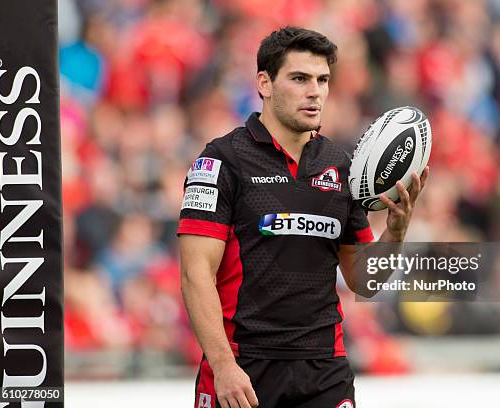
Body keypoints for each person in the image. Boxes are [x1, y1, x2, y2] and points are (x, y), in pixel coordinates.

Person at [178, 26, 428, 408]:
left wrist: (396, 232)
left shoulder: (343, 168)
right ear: (265, 82)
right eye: (299, 78)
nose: (315, 91)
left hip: (324, 371)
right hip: (244, 370)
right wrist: (223, 365)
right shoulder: (221, 161)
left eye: (323, 80)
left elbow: (364, 282)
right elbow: (195, 274)